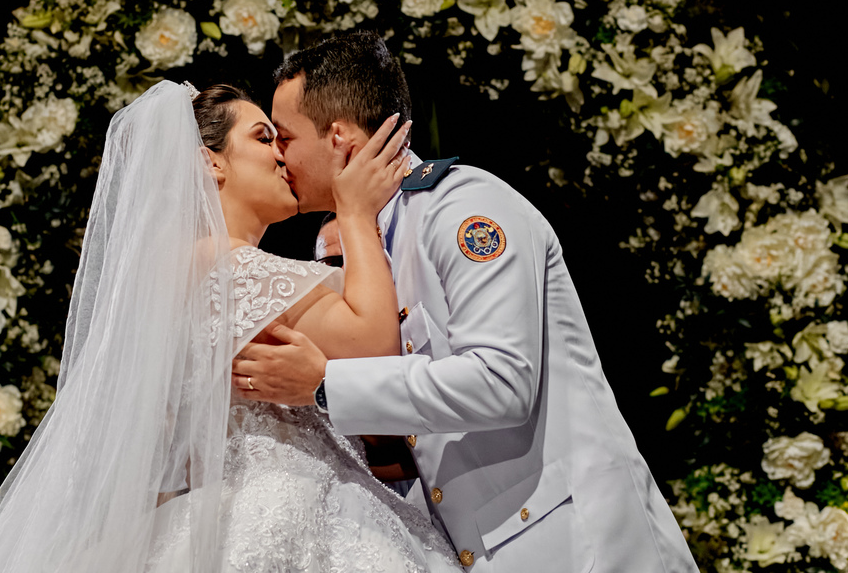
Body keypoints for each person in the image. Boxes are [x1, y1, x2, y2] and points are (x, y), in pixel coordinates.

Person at [232, 32, 701, 572]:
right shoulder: (366, 244)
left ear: (339, 139)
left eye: (285, 136)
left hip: (580, 544)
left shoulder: (461, 207)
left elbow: (502, 381)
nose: (278, 154)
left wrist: (324, 386)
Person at [0, 81, 460, 572]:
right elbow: (374, 346)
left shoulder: (169, 276)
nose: (282, 155)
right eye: (263, 138)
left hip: (218, 512)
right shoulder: (229, 267)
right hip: (287, 509)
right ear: (210, 162)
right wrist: (355, 213)